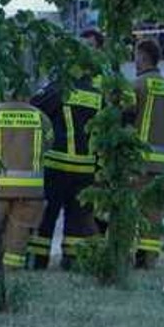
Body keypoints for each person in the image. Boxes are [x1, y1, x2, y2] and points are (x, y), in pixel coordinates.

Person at [30, 63, 104, 270]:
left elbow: (34, 107)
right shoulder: (98, 96)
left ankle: (38, 261)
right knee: (77, 220)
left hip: (56, 165)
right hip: (86, 169)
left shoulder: (60, 89)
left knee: (46, 217)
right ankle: (72, 261)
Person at [0, 94, 54, 269]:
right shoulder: (42, 118)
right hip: (31, 192)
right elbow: (48, 145)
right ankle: (12, 273)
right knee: (18, 238)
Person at [126, 39, 164, 268]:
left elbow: (126, 120)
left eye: (135, 57)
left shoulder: (137, 85)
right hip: (161, 164)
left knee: (129, 210)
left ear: (141, 57)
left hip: (136, 162)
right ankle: (148, 260)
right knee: (153, 214)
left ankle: (124, 257)